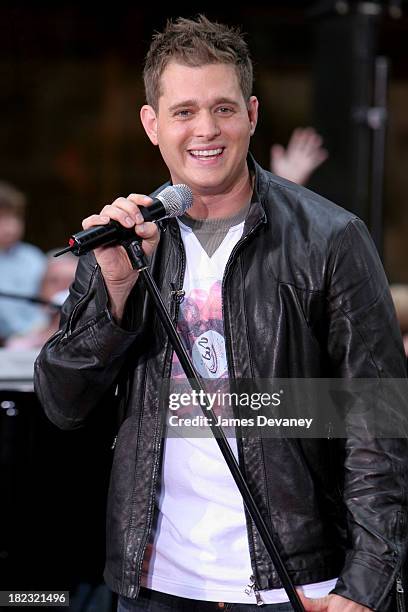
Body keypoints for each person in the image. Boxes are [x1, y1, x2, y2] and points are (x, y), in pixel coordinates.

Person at [34, 15, 408, 612]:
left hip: (297, 584)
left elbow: (380, 424)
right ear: (151, 124)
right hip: (155, 584)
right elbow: (63, 404)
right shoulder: (124, 242)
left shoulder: (331, 238)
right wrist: (117, 294)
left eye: (223, 109)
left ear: (252, 114)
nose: (205, 129)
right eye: (183, 111)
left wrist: (364, 585)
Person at [0, 181, 46, 343]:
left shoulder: (33, 257)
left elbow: (47, 303)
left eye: (16, 217)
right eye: (2, 218)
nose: (11, 227)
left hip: (34, 342)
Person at [5, 250, 77, 350]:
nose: (63, 287)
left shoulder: (97, 340)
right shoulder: (20, 344)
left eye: (71, 281)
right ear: (41, 290)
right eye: (54, 281)